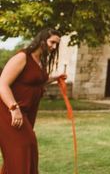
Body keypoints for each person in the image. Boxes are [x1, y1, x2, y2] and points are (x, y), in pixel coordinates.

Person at [0, 28, 66, 173]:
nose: (54, 47)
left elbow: (35, 81)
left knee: (19, 153)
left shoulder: (40, 60)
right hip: (8, 111)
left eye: (57, 44)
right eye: (52, 42)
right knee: (24, 148)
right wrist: (13, 108)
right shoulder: (23, 57)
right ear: (42, 40)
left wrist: (56, 78)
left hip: (27, 112)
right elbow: (2, 83)